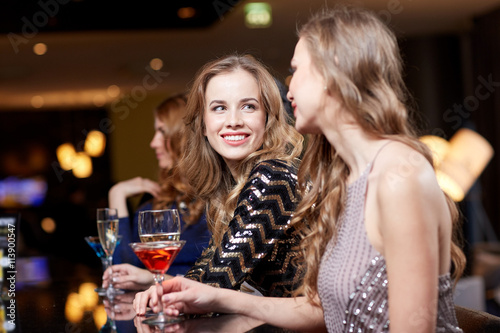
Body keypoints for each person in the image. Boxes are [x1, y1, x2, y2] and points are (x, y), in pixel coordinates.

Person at [133, 7, 466, 333]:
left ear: (331, 74)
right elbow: (321, 309)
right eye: (219, 108)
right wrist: (210, 302)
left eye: (297, 71)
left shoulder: (398, 176)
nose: (288, 89)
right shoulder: (341, 180)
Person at [133, 53, 305, 306]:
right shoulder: (232, 184)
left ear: (267, 117)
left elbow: (220, 277)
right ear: (203, 123)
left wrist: (163, 294)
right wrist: (165, 288)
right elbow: (212, 261)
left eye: (249, 106)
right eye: (219, 108)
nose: (233, 121)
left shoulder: (273, 175)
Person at [105, 94, 211, 289]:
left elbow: (221, 282)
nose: (153, 143)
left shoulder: (219, 203)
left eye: (162, 132)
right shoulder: (155, 206)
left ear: (184, 136)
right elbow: (122, 273)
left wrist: (154, 279)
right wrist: (117, 195)